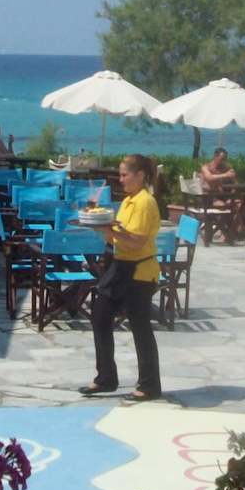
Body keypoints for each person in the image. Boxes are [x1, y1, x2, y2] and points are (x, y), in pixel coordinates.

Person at [81, 153, 163, 402]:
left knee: (140, 326)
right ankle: (106, 377)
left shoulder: (145, 202)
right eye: (120, 174)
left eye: (125, 174)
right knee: (100, 316)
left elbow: (137, 241)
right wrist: (101, 227)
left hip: (140, 271)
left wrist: (111, 230)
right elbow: (117, 236)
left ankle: (149, 385)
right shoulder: (128, 201)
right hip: (120, 267)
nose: (121, 179)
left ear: (140, 175)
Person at [200, 147, 244, 238]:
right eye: (222, 159)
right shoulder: (206, 167)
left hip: (223, 196)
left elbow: (236, 184)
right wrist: (225, 175)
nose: (223, 161)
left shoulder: (226, 168)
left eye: (225, 159)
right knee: (223, 206)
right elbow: (209, 178)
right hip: (208, 198)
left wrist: (232, 191)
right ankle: (226, 232)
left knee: (239, 205)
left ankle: (229, 231)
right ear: (215, 157)